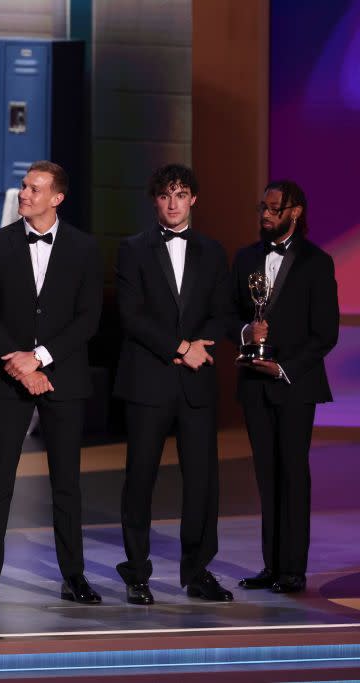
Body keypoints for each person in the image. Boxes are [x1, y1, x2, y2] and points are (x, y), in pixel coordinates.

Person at [0, 160, 103, 607]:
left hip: (62, 376)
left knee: (66, 482)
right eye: (24, 186)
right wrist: (20, 363)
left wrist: (40, 358)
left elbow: (89, 318)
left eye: (34, 189)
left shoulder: (84, 248)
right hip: (8, 377)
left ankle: (74, 576)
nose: (24, 194)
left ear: (57, 198)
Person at [113, 164, 234, 605]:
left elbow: (223, 311)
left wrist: (200, 347)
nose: (173, 203)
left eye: (181, 194)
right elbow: (131, 315)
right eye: (165, 195)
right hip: (148, 379)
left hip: (196, 381)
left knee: (202, 481)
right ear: (154, 200)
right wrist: (182, 346)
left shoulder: (214, 251)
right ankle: (137, 572)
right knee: (139, 479)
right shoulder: (133, 249)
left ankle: (198, 570)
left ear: (193, 199)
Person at [232, 180, 339, 594]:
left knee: (293, 474)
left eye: (274, 209)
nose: (265, 215)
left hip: (295, 384)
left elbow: (325, 333)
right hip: (254, 384)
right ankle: (271, 565)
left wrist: (284, 367)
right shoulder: (245, 259)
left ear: (295, 212)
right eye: (263, 208)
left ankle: (293, 568)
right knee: (266, 475)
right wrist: (246, 332)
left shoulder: (317, 262)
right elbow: (228, 313)